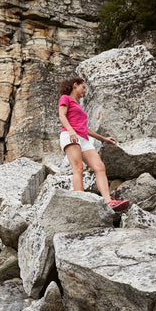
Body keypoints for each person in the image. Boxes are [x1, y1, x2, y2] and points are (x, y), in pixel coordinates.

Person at [58, 77, 130, 212]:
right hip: (69, 135)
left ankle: (109, 201)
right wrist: (71, 131)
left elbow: (86, 129)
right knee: (78, 168)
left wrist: (103, 139)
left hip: (83, 138)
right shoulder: (65, 98)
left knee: (100, 167)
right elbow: (62, 116)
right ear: (75, 85)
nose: (84, 91)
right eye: (83, 87)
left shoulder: (78, 105)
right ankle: (81, 202)